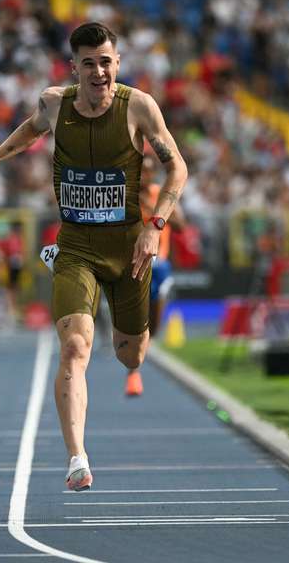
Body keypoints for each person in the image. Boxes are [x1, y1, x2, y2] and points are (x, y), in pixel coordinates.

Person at [0, 22, 188, 491]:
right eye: (89, 63)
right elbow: (28, 130)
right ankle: (76, 457)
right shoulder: (55, 104)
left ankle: (125, 330)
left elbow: (176, 165)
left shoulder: (138, 107)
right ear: (74, 67)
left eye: (106, 61)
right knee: (76, 346)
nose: (99, 71)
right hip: (77, 245)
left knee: (130, 355)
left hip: (129, 248)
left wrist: (154, 226)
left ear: (117, 63)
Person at [125, 153, 186, 397]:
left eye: (148, 172)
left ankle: (140, 355)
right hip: (134, 264)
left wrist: (154, 209)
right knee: (137, 321)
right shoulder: (125, 196)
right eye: (140, 171)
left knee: (155, 325)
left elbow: (181, 226)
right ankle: (133, 368)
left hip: (159, 264)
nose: (143, 176)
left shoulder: (160, 194)